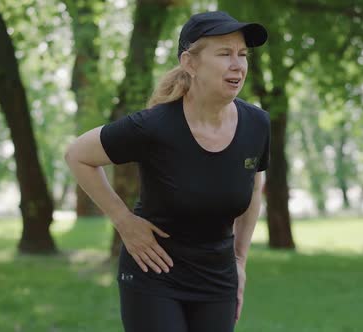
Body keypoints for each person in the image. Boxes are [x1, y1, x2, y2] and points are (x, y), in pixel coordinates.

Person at [64, 11, 270, 332]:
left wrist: (240, 261)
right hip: (153, 273)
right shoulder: (153, 126)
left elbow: (254, 187)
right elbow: (77, 155)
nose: (238, 64)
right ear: (190, 63)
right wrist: (124, 221)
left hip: (217, 277)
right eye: (224, 53)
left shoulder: (257, 124)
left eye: (242, 55)